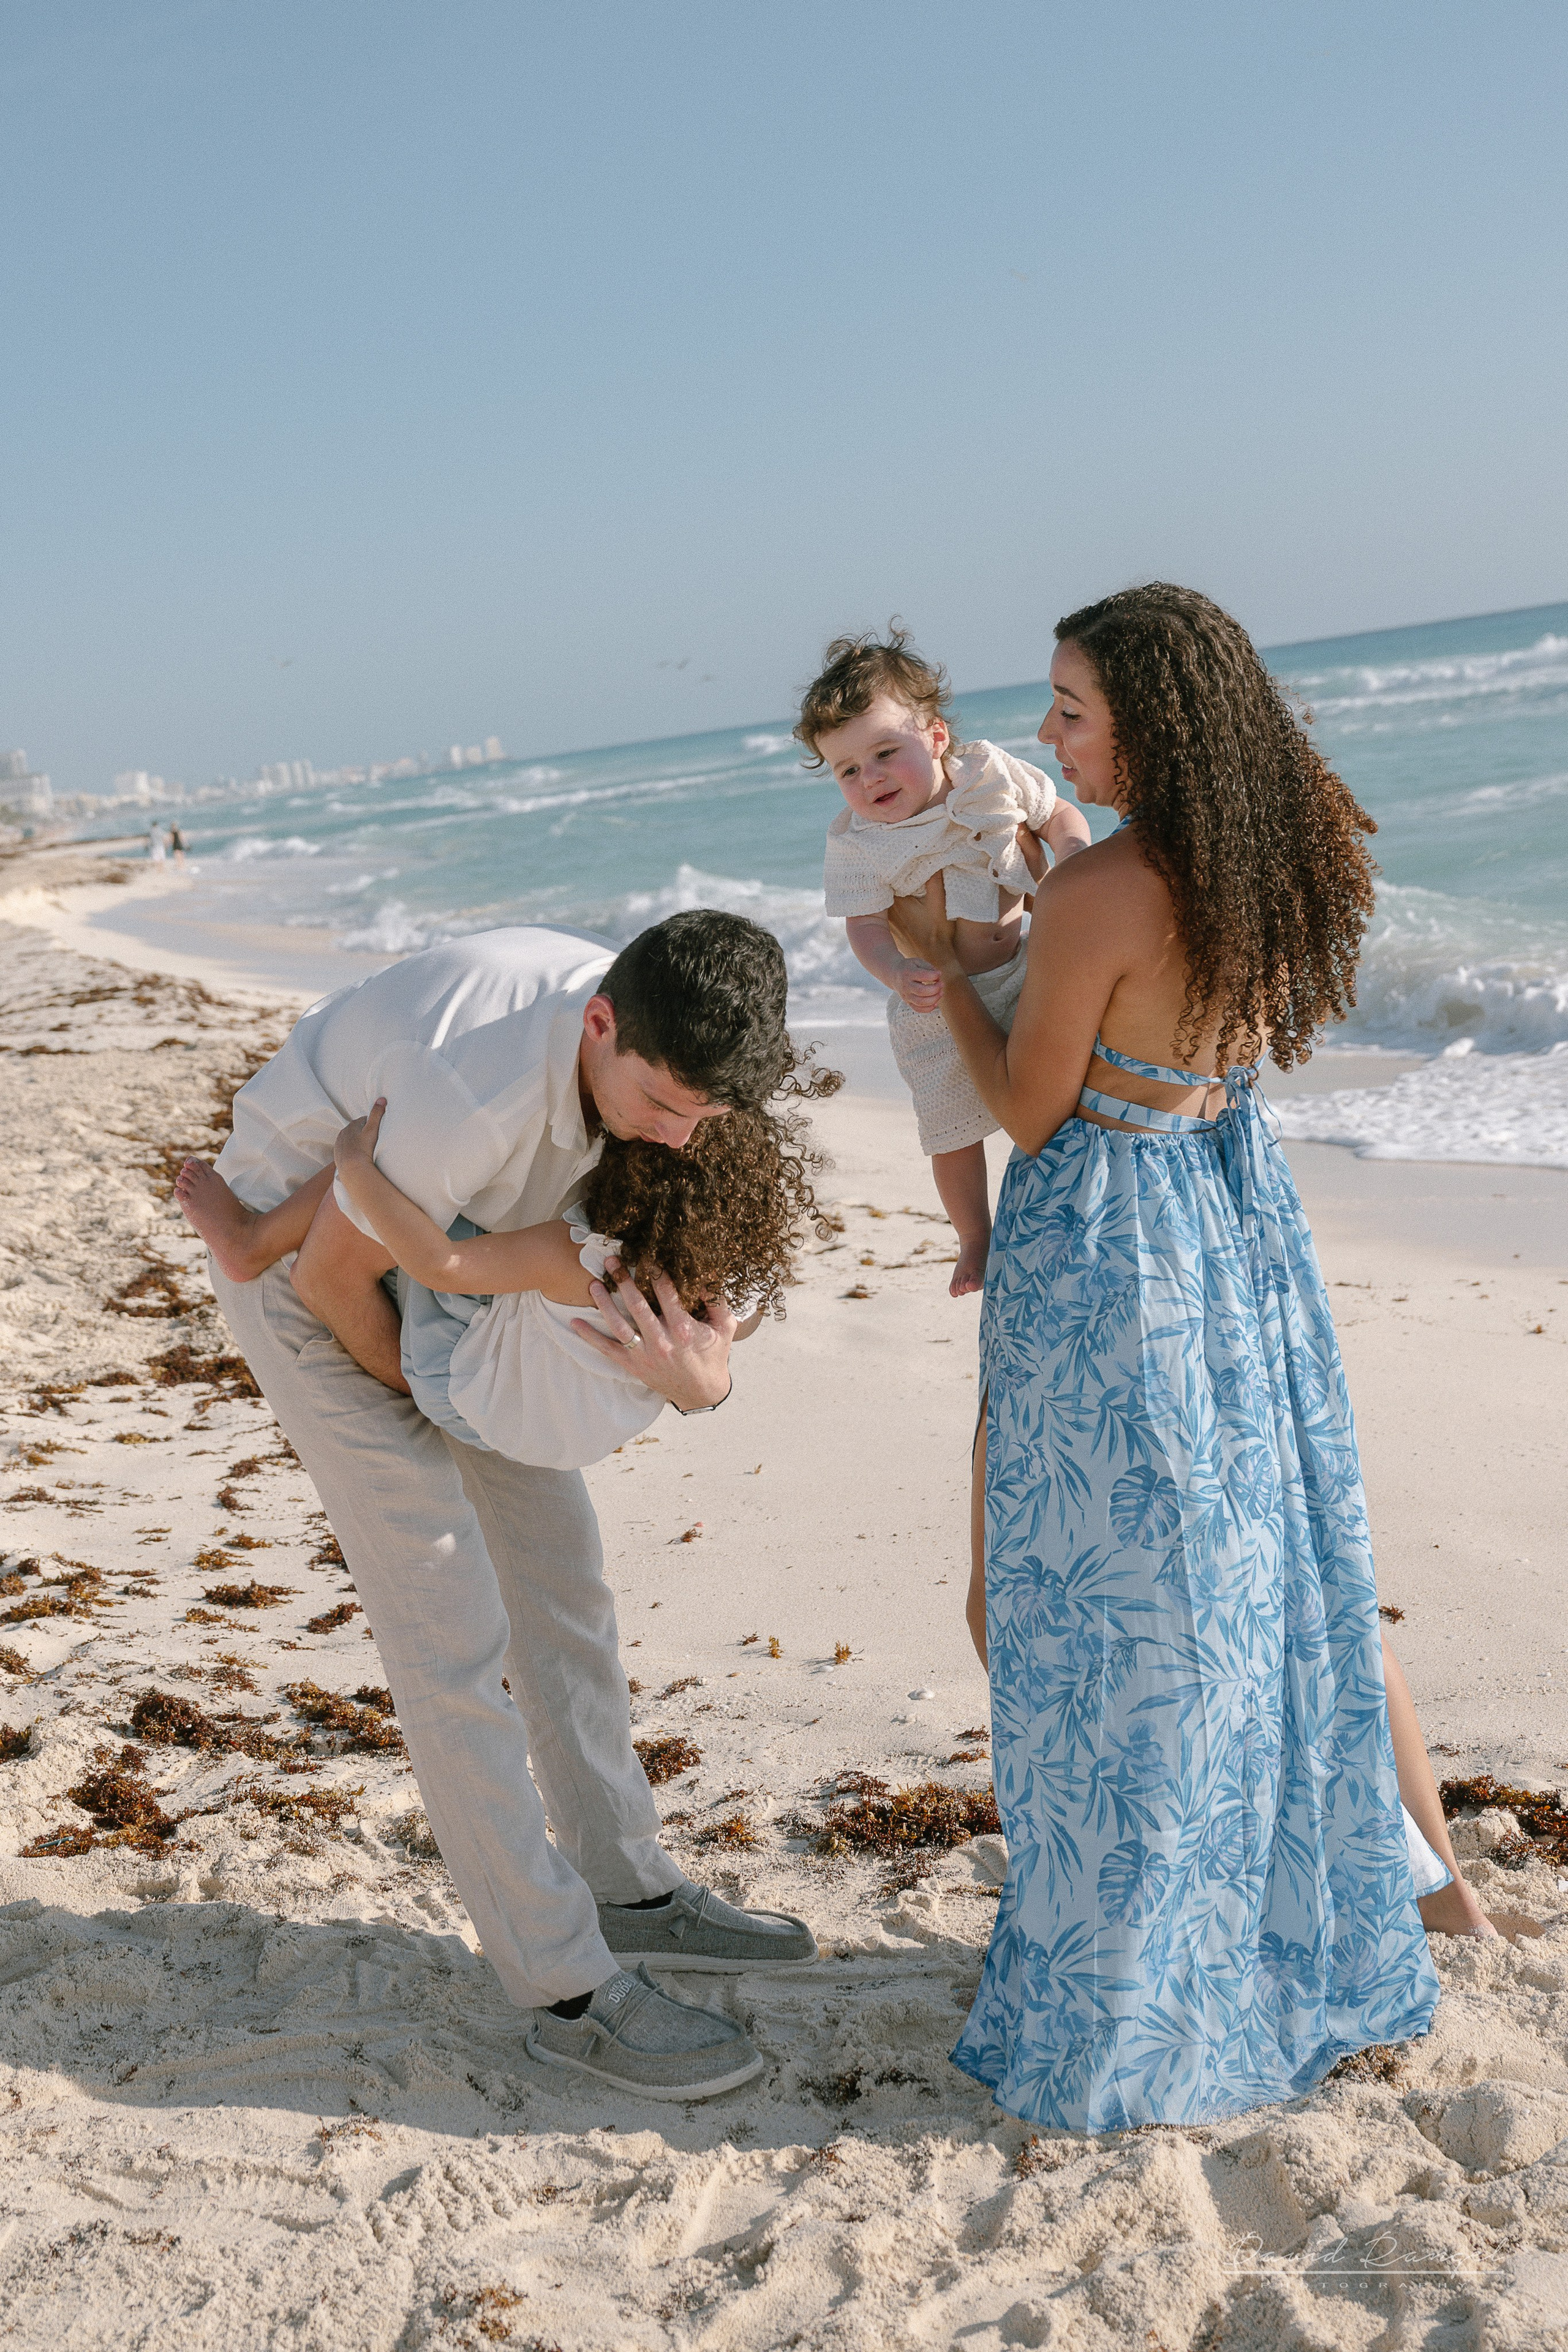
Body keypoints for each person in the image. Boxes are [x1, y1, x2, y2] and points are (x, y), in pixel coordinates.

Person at [888, 583, 1489, 2136]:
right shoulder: (1274, 852)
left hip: (1110, 1250)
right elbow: (1158, 1017)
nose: (1042, 731)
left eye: (1069, 706)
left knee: (1077, 1613)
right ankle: (1388, 1896)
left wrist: (942, 968)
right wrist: (1063, 891)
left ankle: (1141, 1978)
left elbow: (1031, 1111)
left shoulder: (1098, 890)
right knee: (1275, 1576)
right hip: (1230, 1210)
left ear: (1149, 721)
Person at [202, 913, 829, 2100]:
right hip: (316, 1273)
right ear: (599, 1024)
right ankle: (566, 1991)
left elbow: (675, 1309)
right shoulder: (471, 1086)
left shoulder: (673, 1065)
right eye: (661, 1105)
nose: (680, 1136)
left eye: (707, 1114)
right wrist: (443, 1416)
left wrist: (700, 1380)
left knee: (562, 1580)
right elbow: (341, 1274)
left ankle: (626, 1889)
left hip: (462, 1274)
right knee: (449, 1629)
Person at [177, 1084, 822, 1470]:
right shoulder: (722, 1280)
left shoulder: (577, 1253)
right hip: (579, 1433)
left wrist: (357, 1171)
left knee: (419, 1167)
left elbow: (440, 1265)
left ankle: (250, 1239)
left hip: (456, 1388)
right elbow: (739, 1330)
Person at [797, 630, 1091, 1295]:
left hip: (1022, 971)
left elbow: (1057, 814)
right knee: (949, 1126)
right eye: (846, 770)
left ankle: (1072, 1191)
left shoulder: (989, 778)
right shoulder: (857, 843)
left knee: (1058, 1088)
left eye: (884, 753)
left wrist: (1073, 861)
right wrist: (897, 973)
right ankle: (975, 1236)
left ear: (934, 738)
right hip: (930, 1002)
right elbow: (865, 925)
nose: (868, 777)